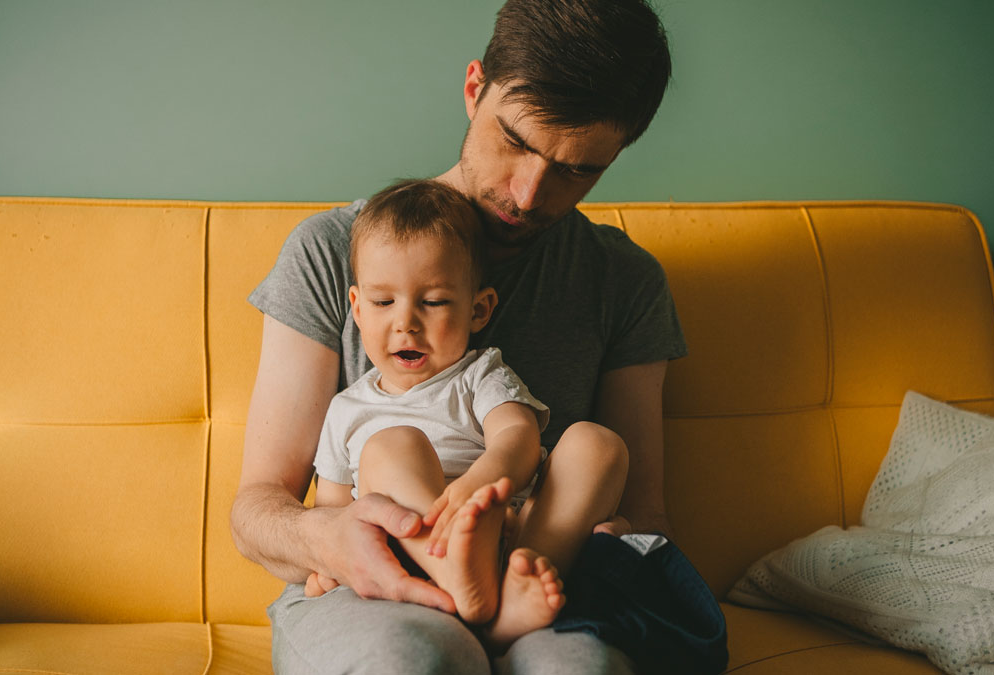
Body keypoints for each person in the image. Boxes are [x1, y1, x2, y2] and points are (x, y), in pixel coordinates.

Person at [231, 0, 684, 672]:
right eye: (517, 142)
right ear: (475, 89)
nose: (528, 194)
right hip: (377, 586)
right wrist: (324, 539)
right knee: (413, 657)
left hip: (536, 573)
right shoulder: (329, 253)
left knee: (579, 669)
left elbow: (644, 512)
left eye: (576, 169)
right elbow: (257, 508)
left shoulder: (625, 281)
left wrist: (605, 539)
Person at [308, 178, 629, 653]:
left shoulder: (480, 373)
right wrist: (327, 570)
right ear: (356, 309)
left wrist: (480, 484)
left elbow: (517, 435)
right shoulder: (348, 409)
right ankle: (459, 576)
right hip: (413, 553)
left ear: (479, 310)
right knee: (393, 444)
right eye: (383, 302)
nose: (405, 322)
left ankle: (517, 579)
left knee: (598, 444)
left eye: (433, 302)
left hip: (508, 532)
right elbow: (333, 512)